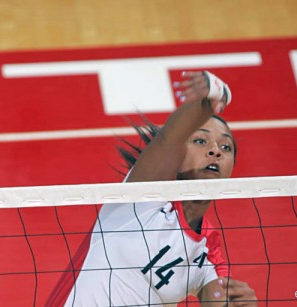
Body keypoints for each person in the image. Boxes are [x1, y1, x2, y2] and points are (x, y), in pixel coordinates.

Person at [46, 71, 257, 306]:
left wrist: (236, 303)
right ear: (178, 153)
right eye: (200, 140)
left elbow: (217, 298)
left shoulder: (207, 249)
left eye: (226, 147)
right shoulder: (143, 196)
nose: (215, 151)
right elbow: (169, 138)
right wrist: (214, 96)